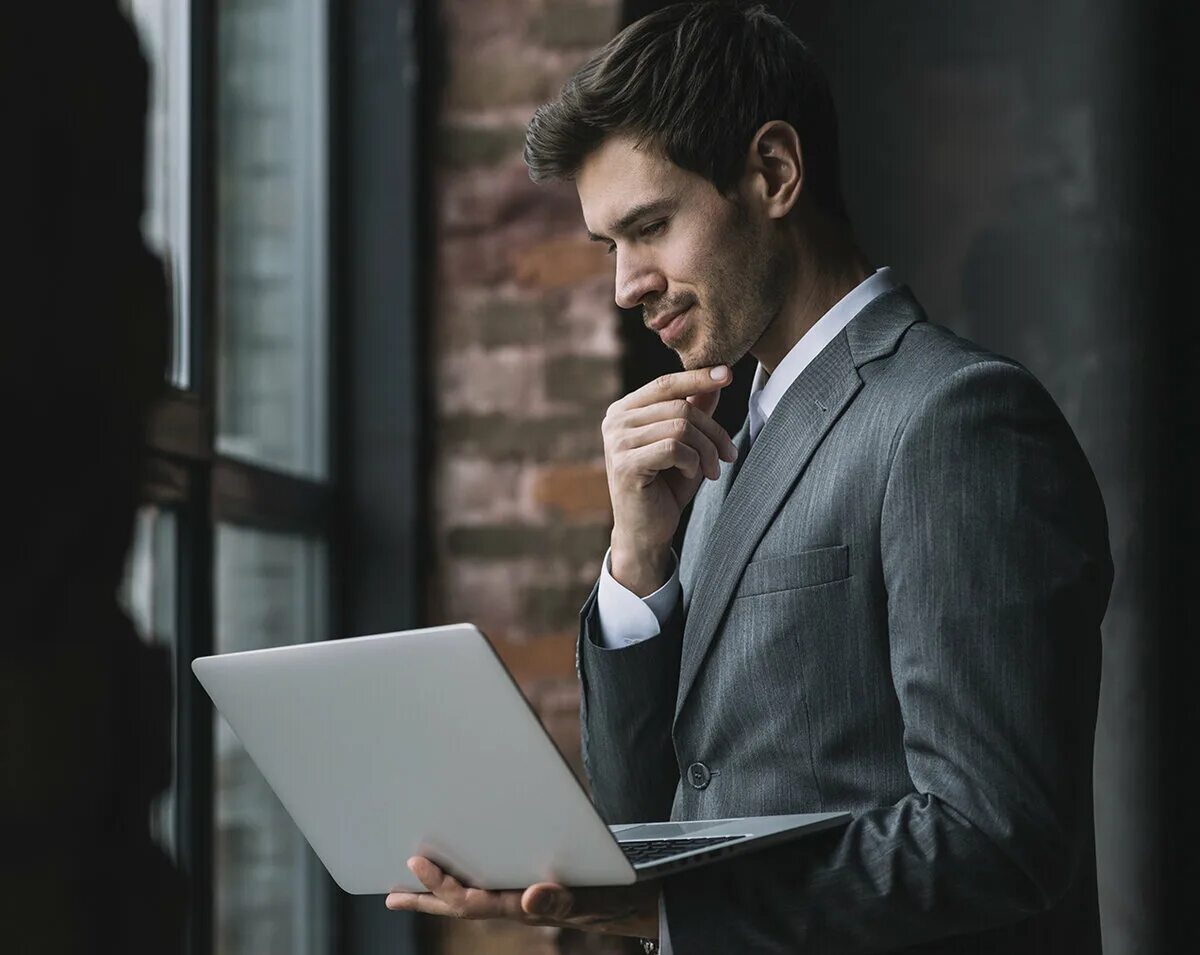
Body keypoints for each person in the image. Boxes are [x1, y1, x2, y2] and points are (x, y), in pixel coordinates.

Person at [385, 4, 1112, 951]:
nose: (625, 286)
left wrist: (663, 910)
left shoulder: (957, 419)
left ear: (773, 172)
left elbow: (995, 834)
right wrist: (638, 561)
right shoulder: (723, 454)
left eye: (649, 227)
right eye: (611, 246)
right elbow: (659, 807)